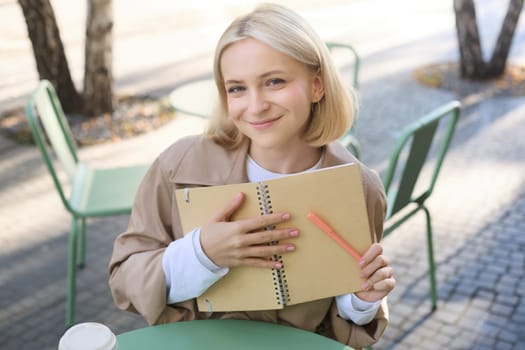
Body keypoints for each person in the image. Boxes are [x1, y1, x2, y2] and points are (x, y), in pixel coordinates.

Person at [109, 3, 395, 348]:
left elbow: (342, 318)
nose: (255, 105)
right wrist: (201, 254)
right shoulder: (178, 165)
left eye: (274, 82)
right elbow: (125, 280)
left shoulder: (360, 187)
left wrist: (363, 301)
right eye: (237, 88)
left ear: (317, 85)